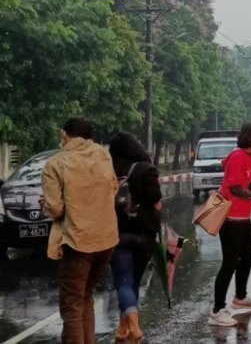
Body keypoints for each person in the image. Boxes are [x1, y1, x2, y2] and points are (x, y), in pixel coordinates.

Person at [41, 118, 119, 344]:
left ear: (64, 134)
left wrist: (44, 205)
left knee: (72, 306)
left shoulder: (56, 164)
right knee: (86, 295)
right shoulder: (103, 156)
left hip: (78, 241)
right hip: (106, 240)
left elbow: (55, 209)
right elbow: (112, 188)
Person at [209, 123, 251, 327]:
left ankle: (240, 297)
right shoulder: (237, 157)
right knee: (230, 262)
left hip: (244, 219)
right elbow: (235, 188)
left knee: (249, 255)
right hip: (231, 219)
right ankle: (217, 311)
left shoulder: (250, 159)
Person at [109, 132, 163, 343]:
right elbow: (157, 201)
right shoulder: (146, 169)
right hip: (144, 234)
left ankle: (126, 328)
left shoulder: (109, 171)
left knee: (124, 283)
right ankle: (133, 328)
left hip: (118, 234)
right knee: (134, 283)